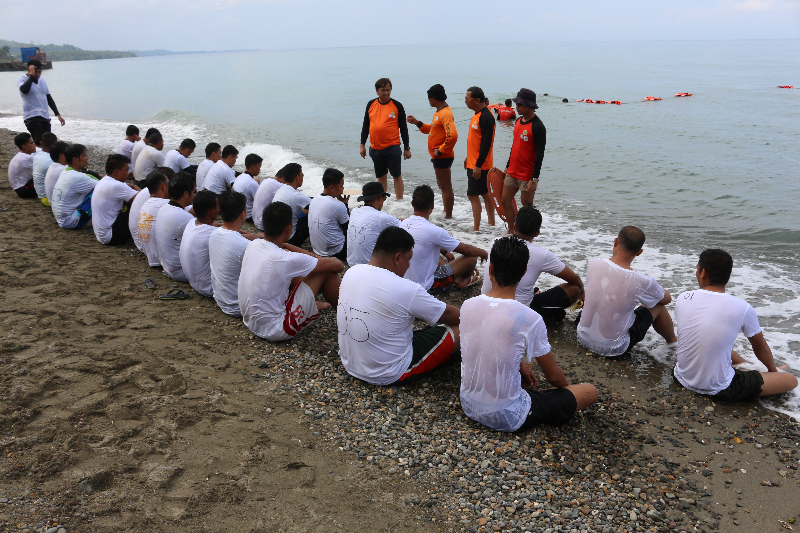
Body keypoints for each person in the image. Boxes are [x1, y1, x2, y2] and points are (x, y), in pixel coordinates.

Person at [460, 236, 599, 432]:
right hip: (507, 416)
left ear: (490, 269)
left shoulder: (468, 305)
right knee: (590, 391)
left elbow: (487, 341)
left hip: (468, 404)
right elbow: (554, 377)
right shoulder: (529, 318)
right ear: (524, 273)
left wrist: (521, 365)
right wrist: (566, 390)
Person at [338, 226, 461, 385]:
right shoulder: (406, 288)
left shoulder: (351, 272)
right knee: (465, 328)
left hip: (351, 364)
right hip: (388, 372)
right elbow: (454, 316)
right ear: (397, 258)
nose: (409, 265)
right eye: (408, 259)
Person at [673, 249, 798, 403]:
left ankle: (745, 366)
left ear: (703, 273)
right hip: (720, 389)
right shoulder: (742, 307)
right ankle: (747, 371)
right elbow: (761, 348)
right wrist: (773, 372)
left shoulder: (683, 297)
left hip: (681, 376)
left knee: (714, 341)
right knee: (791, 380)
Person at [238, 201, 344, 341]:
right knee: (326, 272)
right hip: (276, 329)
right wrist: (316, 258)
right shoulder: (284, 258)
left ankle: (312, 306)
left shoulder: (254, 244)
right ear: (288, 229)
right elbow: (338, 265)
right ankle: (347, 319)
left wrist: (285, 246)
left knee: (297, 270)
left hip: (250, 321)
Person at [577, 226, 677, 357]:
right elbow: (666, 299)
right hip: (613, 348)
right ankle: (673, 342)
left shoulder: (594, 263)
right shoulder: (642, 281)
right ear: (639, 252)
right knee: (657, 305)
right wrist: (655, 288)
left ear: (616, 242)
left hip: (582, 337)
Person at [480, 207, 583, 321]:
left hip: (488, 302)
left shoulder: (497, 242)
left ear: (514, 226)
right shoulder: (542, 255)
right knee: (574, 289)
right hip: (520, 312)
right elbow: (574, 278)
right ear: (537, 233)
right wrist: (583, 293)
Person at [401, 185, 487, 292]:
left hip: (403, 281)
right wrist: (483, 252)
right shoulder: (435, 231)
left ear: (412, 203)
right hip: (428, 285)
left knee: (431, 250)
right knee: (472, 258)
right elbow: (467, 250)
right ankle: (463, 280)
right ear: (432, 206)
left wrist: (445, 252)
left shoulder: (401, 225)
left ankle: (456, 277)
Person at [406, 84, 458, 219]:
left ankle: (448, 217)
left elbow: (452, 135)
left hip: (442, 156)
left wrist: (440, 151)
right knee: (442, 186)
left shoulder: (445, 113)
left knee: (446, 187)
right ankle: (446, 212)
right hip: (438, 156)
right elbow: (432, 130)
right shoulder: (439, 112)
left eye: (429, 98)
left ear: (434, 99)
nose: (428, 101)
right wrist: (417, 122)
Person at [209, 191, 261, 317]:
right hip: (237, 307)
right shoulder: (244, 245)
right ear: (243, 214)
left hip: (221, 300)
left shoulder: (213, 235)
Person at [502, 88, 547, 234]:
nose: (517, 106)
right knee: (505, 201)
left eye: (520, 104)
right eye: (517, 103)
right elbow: (514, 146)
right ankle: (512, 231)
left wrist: (534, 179)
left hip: (527, 175)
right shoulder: (518, 121)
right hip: (512, 171)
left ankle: (527, 236)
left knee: (527, 208)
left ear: (529, 106)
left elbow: (540, 154)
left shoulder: (538, 126)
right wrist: (507, 166)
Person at [359, 77, 411, 200]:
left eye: (388, 90)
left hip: (392, 147)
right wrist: (362, 145)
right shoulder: (371, 104)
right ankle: (381, 201)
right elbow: (366, 125)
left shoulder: (397, 106)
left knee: (396, 175)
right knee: (381, 176)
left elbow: (404, 128)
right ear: (377, 91)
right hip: (375, 148)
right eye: (383, 90)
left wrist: (407, 148)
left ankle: (399, 202)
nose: (386, 92)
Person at [464, 86, 496, 231]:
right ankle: (491, 223)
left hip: (480, 165)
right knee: (484, 193)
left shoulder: (487, 116)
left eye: (467, 99)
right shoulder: (477, 114)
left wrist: (478, 164)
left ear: (477, 100)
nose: (465, 101)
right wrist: (468, 158)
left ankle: (476, 229)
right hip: (473, 162)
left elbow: (487, 143)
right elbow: (475, 141)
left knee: (473, 195)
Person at [346, 182, 400, 266]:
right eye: (384, 198)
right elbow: (406, 227)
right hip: (368, 267)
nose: (383, 202)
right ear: (379, 198)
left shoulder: (355, 211)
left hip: (351, 264)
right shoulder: (380, 217)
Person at [155, 172, 196, 281]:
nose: (194, 195)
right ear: (186, 194)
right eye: (193, 192)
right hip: (181, 273)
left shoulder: (164, 208)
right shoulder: (185, 218)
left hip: (167, 267)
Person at [91, 154, 141, 245]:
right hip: (111, 236)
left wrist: (132, 188)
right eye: (126, 170)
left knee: (129, 200)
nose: (128, 173)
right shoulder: (116, 186)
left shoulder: (104, 180)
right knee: (136, 204)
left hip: (101, 235)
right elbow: (143, 199)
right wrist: (134, 186)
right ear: (116, 172)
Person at [179, 191, 220, 297]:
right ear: (211, 212)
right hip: (209, 288)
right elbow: (231, 236)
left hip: (195, 283)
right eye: (217, 207)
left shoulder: (191, 223)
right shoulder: (211, 234)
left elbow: (223, 230)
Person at [51, 144, 98, 229]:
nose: (87, 158)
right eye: (84, 155)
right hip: (70, 221)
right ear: (75, 159)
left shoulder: (66, 171)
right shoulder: (77, 177)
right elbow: (105, 187)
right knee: (100, 192)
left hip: (62, 219)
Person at [308, 168, 350, 260]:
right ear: (331, 187)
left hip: (317, 250)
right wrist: (345, 204)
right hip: (336, 252)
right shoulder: (337, 205)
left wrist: (343, 203)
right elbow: (348, 229)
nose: (343, 189)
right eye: (341, 186)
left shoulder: (314, 200)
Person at [17, 59, 65, 139]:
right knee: (40, 142)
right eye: (36, 72)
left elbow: (49, 98)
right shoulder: (22, 79)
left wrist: (58, 114)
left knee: (48, 142)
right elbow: (24, 90)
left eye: (40, 72)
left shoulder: (42, 81)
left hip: (45, 117)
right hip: (32, 117)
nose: (38, 74)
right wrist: (31, 76)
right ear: (29, 69)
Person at [272, 163, 311, 246]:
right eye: (302, 175)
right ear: (297, 177)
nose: (303, 177)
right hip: (290, 239)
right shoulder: (296, 196)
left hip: (276, 234)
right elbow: (317, 206)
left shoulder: (281, 189)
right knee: (313, 212)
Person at [137, 172, 171, 266]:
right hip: (162, 261)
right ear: (163, 186)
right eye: (169, 184)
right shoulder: (165, 204)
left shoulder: (145, 204)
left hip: (150, 257)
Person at [252, 164, 288, 231]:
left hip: (256, 220)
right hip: (263, 225)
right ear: (283, 178)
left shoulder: (266, 180)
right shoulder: (278, 185)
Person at [232, 153, 263, 220]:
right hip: (248, 216)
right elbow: (261, 202)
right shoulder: (251, 183)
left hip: (238, 212)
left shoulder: (240, 177)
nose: (259, 170)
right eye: (259, 167)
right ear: (253, 167)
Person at [8, 132, 37, 199]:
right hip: (23, 190)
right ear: (24, 146)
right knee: (44, 175)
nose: (34, 145)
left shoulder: (21, 155)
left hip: (19, 188)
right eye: (31, 143)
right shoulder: (26, 158)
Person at [32, 132, 56, 205]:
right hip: (47, 200)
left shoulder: (38, 155)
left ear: (41, 143)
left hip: (40, 195)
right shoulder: (50, 160)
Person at [44, 141, 69, 206]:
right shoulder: (63, 170)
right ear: (62, 156)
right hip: (61, 207)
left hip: (55, 204)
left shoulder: (53, 166)